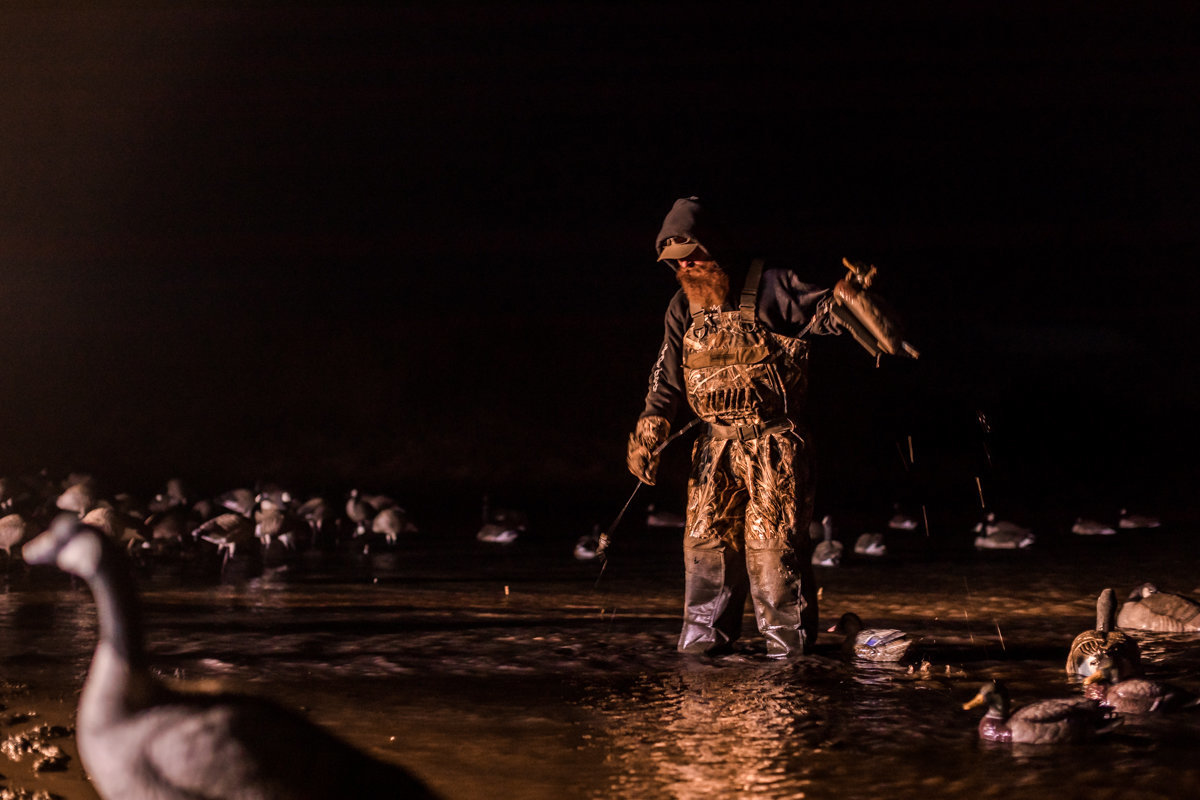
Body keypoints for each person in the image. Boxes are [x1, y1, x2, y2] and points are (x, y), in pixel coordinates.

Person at [626, 196, 909, 658]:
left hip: (774, 446)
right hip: (712, 451)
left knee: (773, 553)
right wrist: (649, 425)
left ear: (715, 247)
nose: (686, 268)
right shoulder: (682, 307)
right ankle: (700, 665)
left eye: (693, 256)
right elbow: (666, 377)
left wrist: (855, 299)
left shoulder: (773, 287)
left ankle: (787, 667)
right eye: (675, 262)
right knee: (705, 552)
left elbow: (833, 314)